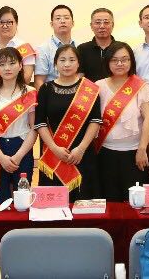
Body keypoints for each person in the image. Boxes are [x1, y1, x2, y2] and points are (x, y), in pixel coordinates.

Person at [34, 44, 102, 200]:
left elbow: (95, 121)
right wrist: (54, 148)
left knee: (83, 202)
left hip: (82, 153)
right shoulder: (46, 89)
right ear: (55, 63)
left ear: (78, 63)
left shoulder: (90, 89)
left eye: (72, 60)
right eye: (62, 60)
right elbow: (40, 123)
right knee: (53, 204)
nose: (67, 64)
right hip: (53, 154)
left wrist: (81, 149)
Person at [94, 41, 149, 202]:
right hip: (105, 153)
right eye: (114, 60)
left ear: (131, 61)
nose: (120, 64)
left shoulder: (142, 87)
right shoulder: (98, 86)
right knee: (109, 201)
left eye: (124, 59)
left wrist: (142, 149)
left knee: (134, 202)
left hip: (135, 154)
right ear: (107, 62)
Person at [0, 46, 37, 204]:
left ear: (20, 66)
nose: (7, 68)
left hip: (22, 148)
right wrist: (1, 157)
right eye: (2, 64)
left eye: (12, 63)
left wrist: (18, 156)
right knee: (2, 199)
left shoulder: (30, 92)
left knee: (22, 198)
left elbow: (34, 129)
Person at [35, 4, 77, 87]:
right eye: (58, 18)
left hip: (78, 93)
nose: (62, 21)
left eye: (66, 18)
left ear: (73, 23)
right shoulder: (43, 49)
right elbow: (39, 81)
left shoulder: (80, 46)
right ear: (51, 24)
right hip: (52, 93)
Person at [0, 6, 36, 83]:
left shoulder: (25, 48)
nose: (5, 26)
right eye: (1, 22)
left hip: (18, 90)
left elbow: (26, 78)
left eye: (9, 22)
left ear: (16, 23)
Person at [77, 8, 118, 82]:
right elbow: (79, 77)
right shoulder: (82, 49)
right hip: (89, 89)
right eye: (98, 22)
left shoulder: (121, 49)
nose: (102, 26)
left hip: (118, 89)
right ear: (91, 26)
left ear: (113, 25)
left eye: (106, 22)